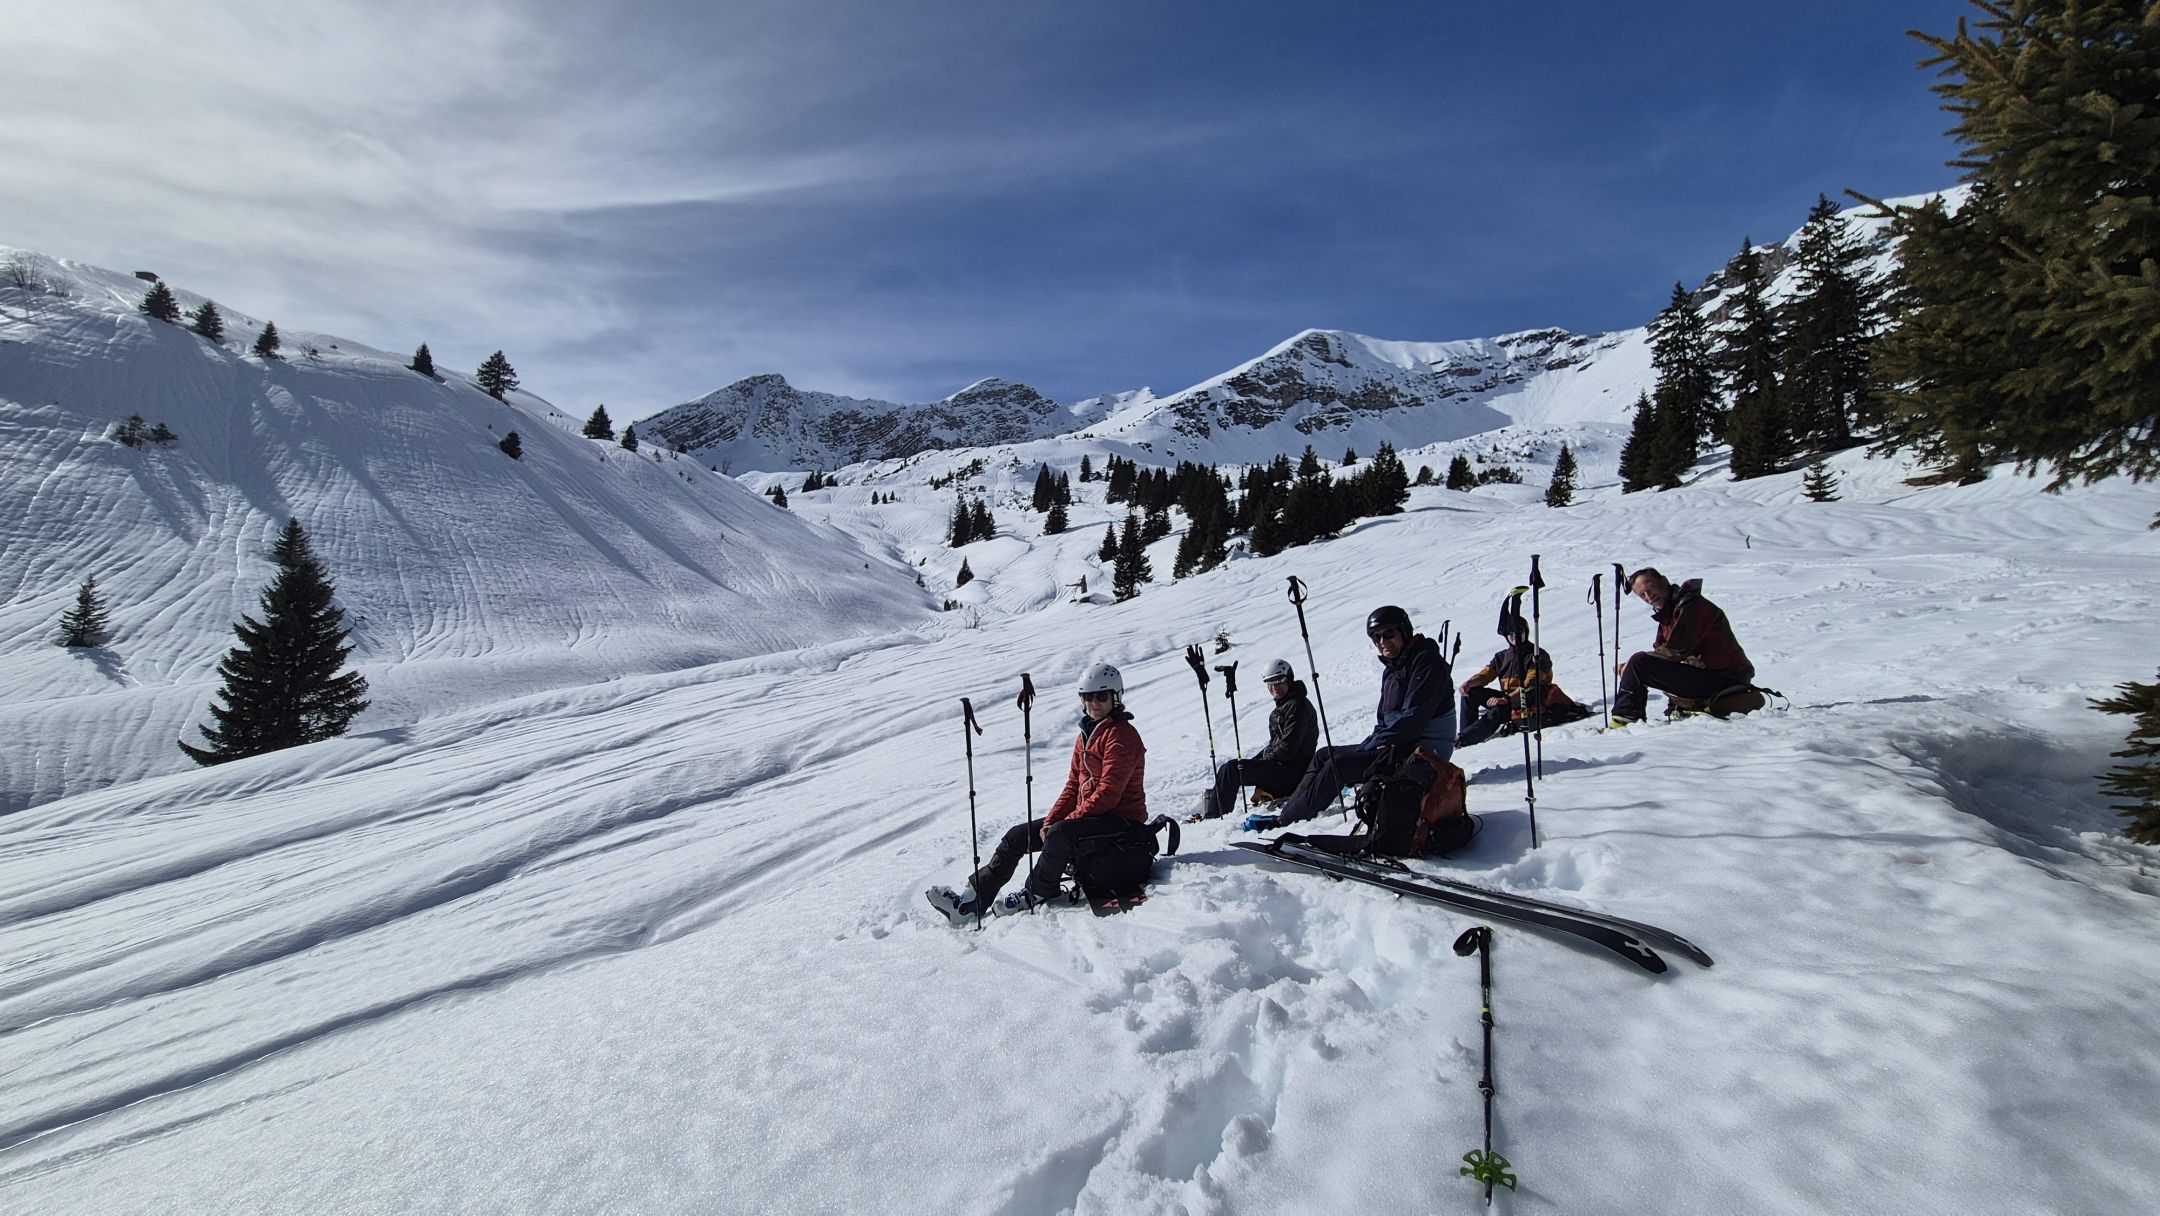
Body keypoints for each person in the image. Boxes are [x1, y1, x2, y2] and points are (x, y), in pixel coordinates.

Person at [927, 661, 1151, 921]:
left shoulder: (1121, 736)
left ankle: (1037, 891)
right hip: (1091, 818)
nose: (1094, 703)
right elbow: (1073, 786)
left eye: (1101, 696)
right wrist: (1052, 820)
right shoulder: (1086, 735)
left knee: (1060, 833)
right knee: (1017, 836)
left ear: (1116, 697)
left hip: (1121, 821)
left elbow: (1109, 793)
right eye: (1088, 697)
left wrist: (1066, 822)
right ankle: (971, 902)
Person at [1268, 605, 1454, 826]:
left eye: (1389, 633)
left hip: (1426, 752)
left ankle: (1285, 822)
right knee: (1324, 755)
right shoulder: (1392, 670)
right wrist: (1374, 741)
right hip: (1400, 744)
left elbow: (1413, 719)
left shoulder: (1426, 663)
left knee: (1339, 766)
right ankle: (1290, 811)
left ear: (1404, 631)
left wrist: (1374, 743)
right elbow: (1385, 721)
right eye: (1376, 637)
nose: (1382, 641)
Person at [1612, 568, 1755, 724]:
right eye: (1642, 595)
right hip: (1712, 676)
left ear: (1664, 581)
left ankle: (1625, 718)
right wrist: (1632, 668)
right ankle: (1672, 709)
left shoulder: (1691, 605)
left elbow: (1676, 650)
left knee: (1639, 663)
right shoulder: (1670, 612)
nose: (1649, 596)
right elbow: (1661, 655)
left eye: (1650, 588)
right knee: (1641, 664)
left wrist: (1633, 665)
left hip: (1726, 677)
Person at [1198, 658, 1318, 819]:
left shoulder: (1298, 706)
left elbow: (1288, 749)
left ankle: (1214, 817)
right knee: (1231, 768)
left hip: (1294, 772)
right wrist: (1254, 762)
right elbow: (1275, 745)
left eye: (1279, 682)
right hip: (1284, 768)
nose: (1274, 688)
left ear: (1289, 680)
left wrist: (1262, 760)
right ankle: (1213, 809)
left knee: (1231, 770)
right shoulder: (1284, 707)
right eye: (1270, 683)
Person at [1456, 618, 1577, 748]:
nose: (1515, 635)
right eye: (1511, 632)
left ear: (1526, 632)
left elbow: (1531, 684)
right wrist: (1469, 683)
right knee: (1470, 693)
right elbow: (1486, 675)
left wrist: (1506, 699)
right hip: (1508, 698)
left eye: (1519, 631)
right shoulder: (1501, 657)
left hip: (1529, 699)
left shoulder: (1537, 655)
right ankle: (1466, 733)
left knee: (1499, 709)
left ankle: (1463, 740)